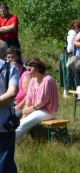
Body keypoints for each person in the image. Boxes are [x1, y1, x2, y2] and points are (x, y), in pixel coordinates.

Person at [16, 57, 59, 142]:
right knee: (22, 122)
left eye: (30, 69)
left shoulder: (47, 80)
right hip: (35, 109)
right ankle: (12, 142)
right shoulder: (32, 80)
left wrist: (27, 110)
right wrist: (24, 114)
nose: (28, 72)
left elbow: (42, 102)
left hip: (48, 111)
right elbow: (29, 98)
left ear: (37, 67)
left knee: (24, 123)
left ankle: (6, 142)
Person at [0, 40, 19, 173]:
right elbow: (12, 93)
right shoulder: (11, 68)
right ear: (4, 52)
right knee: (4, 163)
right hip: (4, 123)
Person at [59, 19, 80, 98]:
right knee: (69, 73)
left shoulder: (72, 33)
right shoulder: (72, 33)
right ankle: (66, 92)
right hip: (69, 55)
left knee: (71, 73)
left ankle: (72, 91)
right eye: (79, 27)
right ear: (75, 27)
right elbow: (70, 47)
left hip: (67, 55)